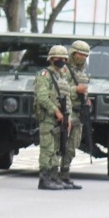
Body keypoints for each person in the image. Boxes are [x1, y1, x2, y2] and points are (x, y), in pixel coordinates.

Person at [33, 45, 76, 190]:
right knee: (47, 148)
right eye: (58, 58)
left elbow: (67, 98)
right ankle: (44, 179)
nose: (62, 60)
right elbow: (42, 97)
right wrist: (56, 112)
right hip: (48, 118)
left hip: (61, 119)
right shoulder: (44, 75)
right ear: (51, 59)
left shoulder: (61, 76)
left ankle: (54, 177)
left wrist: (67, 117)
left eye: (64, 58)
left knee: (58, 148)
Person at [61, 40, 93, 188]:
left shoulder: (82, 71)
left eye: (86, 55)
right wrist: (76, 91)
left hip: (79, 112)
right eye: (81, 55)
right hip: (66, 112)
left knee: (73, 146)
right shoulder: (63, 70)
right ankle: (53, 176)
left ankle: (65, 175)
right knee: (59, 145)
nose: (83, 58)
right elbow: (58, 89)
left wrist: (86, 99)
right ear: (73, 53)